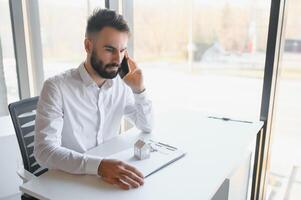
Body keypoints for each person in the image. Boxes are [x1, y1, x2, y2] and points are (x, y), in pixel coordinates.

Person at [34, 8, 154, 190]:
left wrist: (139, 90)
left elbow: (147, 126)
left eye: (122, 51)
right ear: (88, 46)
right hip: (68, 183)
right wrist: (99, 166)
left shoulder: (122, 85)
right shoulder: (56, 87)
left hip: (107, 180)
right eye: (109, 49)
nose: (117, 59)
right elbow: (44, 151)